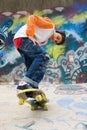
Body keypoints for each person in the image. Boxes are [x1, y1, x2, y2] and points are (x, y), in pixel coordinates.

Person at [13, 14, 66, 90]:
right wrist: (30, 34)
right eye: (57, 37)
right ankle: (25, 83)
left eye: (56, 41)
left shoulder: (44, 41)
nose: (55, 39)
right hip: (23, 37)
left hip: (19, 42)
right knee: (43, 56)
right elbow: (32, 18)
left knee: (32, 65)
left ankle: (31, 88)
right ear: (57, 32)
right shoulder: (50, 26)